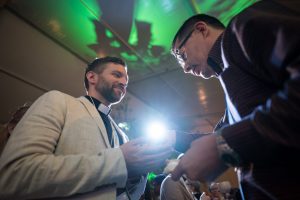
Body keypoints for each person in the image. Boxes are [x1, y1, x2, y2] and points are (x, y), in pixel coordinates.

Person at [169, 1, 300, 199]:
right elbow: (218, 138)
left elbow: (225, 141)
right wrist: (171, 139)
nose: (186, 67)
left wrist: (227, 144)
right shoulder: (230, 79)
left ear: (201, 29)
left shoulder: (243, 27)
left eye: (182, 55)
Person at [0, 56, 172, 199]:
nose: (123, 83)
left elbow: (126, 194)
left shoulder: (123, 135)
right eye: (117, 75)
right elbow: (16, 174)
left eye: (126, 80)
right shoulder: (59, 101)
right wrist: (120, 161)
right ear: (92, 77)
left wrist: (135, 174)